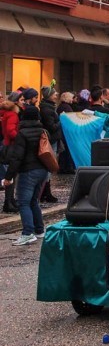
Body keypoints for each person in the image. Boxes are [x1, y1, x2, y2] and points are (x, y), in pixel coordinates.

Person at [2, 106, 50, 246]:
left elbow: (17, 157)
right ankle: (39, 230)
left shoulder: (22, 134)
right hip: (42, 170)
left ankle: (28, 233)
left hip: (28, 171)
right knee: (33, 201)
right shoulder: (43, 131)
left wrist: (9, 177)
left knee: (23, 202)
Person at [38, 86, 62, 204]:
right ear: (49, 96)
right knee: (49, 166)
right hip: (51, 140)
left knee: (49, 167)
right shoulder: (47, 110)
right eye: (54, 94)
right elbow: (51, 126)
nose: (56, 95)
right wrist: (60, 120)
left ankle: (46, 192)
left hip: (53, 140)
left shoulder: (49, 107)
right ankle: (44, 193)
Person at [1, 92, 23, 213]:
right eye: (21, 100)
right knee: (11, 174)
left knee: (10, 174)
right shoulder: (13, 115)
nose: (23, 102)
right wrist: (19, 138)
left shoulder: (6, 113)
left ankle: (10, 201)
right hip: (11, 146)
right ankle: (8, 202)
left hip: (7, 145)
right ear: (16, 102)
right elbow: (10, 131)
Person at [56, 92, 76, 174]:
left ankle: (62, 167)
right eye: (71, 97)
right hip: (66, 132)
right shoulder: (67, 107)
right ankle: (67, 167)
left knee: (63, 151)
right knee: (67, 150)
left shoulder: (61, 106)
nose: (72, 99)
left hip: (62, 131)